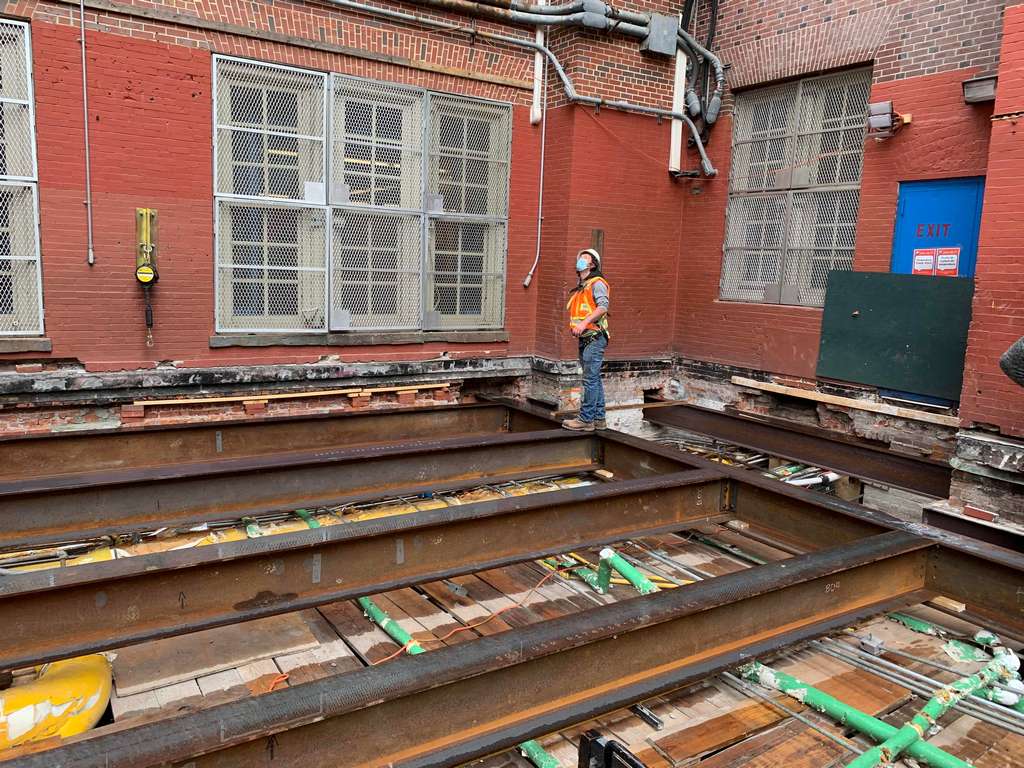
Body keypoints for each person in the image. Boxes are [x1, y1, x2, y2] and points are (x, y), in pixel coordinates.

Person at [562, 248, 610, 432]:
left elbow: (603, 307)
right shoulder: (583, 285)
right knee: (594, 379)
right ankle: (599, 419)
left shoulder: (597, 283)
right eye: (579, 257)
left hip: (594, 337)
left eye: (585, 257)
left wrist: (583, 324)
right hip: (587, 338)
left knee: (590, 380)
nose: (580, 260)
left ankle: (586, 420)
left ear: (592, 264)